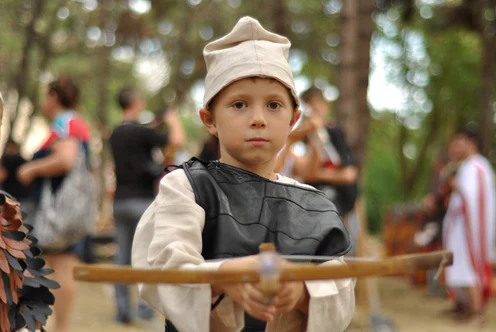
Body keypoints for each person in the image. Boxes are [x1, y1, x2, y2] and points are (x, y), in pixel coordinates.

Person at [132, 16, 355, 332]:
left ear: (294, 119)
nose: (258, 119)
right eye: (239, 104)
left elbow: (340, 285)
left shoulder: (312, 204)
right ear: (209, 118)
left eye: (274, 105)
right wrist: (222, 278)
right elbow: (164, 271)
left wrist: (303, 291)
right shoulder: (187, 187)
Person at [16, 76, 93, 332]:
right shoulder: (74, 121)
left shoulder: (65, 122)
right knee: (64, 262)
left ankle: (61, 327)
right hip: (68, 211)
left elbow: (66, 159)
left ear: (53, 97)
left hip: (59, 212)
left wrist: (31, 168)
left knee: (62, 264)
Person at [109, 87, 185, 324]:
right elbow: (177, 141)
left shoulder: (115, 134)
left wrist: (155, 123)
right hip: (142, 200)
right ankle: (144, 308)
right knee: (146, 255)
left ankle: (122, 310)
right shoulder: (141, 133)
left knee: (121, 257)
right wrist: (172, 121)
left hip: (119, 201)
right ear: (134, 101)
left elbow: (140, 142)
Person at [442, 128, 496, 325]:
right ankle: (464, 306)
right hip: (460, 228)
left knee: (470, 267)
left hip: (470, 229)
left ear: (472, 142)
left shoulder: (478, 167)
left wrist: (455, 185)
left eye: (460, 142)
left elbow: (476, 199)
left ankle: (478, 312)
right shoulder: (466, 166)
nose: (457, 147)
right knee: (458, 266)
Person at [275, 87, 359, 218]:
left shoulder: (336, 133)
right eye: (311, 108)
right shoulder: (304, 138)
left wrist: (321, 174)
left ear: (326, 106)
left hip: (340, 200)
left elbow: (349, 174)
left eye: (317, 107)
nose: (314, 112)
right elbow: (308, 173)